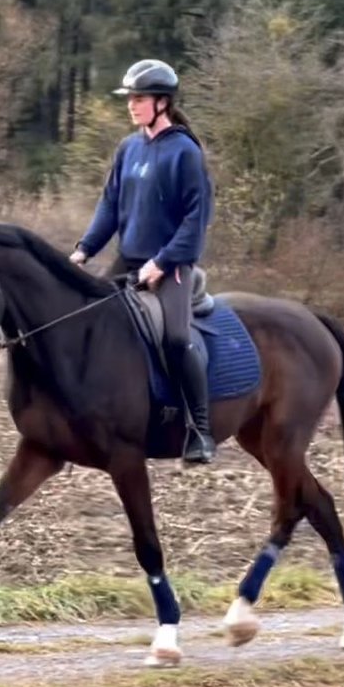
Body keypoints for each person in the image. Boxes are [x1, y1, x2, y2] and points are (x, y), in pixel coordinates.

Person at [69, 59, 217, 464]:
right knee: (87, 318)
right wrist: (85, 249)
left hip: (173, 266)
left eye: (139, 99)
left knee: (173, 338)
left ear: (163, 103)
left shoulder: (185, 152)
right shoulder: (129, 147)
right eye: (130, 99)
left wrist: (163, 263)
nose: (132, 106)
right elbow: (110, 205)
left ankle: (199, 430)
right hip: (127, 258)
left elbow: (196, 220)